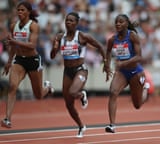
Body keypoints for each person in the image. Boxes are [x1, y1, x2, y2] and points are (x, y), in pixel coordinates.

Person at [50, 12, 109, 138]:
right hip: (67, 71)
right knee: (68, 104)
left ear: (76, 23)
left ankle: (82, 94)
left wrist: (105, 62)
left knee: (73, 92)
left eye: (71, 21)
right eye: (67, 20)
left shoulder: (82, 36)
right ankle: (81, 126)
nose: (68, 23)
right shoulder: (60, 37)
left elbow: (100, 46)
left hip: (80, 69)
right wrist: (54, 48)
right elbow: (52, 56)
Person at [1, 1, 54, 129]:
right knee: (12, 86)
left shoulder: (33, 26)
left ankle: (48, 88)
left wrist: (14, 42)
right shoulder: (14, 26)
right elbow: (13, 47)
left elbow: (32, 45)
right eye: (18, 10)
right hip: (19, 60)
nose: (19, 12)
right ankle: (7, 119)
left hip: (33, 60)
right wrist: (9, 62)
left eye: (22, 10)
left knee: (38, 95)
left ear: (28, 12)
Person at [104, 14, 150, 133]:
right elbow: (107, 52)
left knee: (137, 105)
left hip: (135, 72)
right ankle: (112, 125)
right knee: (113, 92)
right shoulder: (112, 39)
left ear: (126, 24)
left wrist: (123, 63)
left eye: (121, 22)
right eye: (116, 22)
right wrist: (106, 65)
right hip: (122, 73)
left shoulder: (132, 36)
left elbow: (139, 57)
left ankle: (145, 89)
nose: (118, 24)